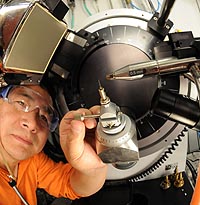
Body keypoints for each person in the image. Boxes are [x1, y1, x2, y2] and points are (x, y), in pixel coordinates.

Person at [0, 84, 107, 204]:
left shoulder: (32, 162)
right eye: (21, 103)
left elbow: (71, 185)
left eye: (44, 118)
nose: (32, 123)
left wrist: (93, 167)